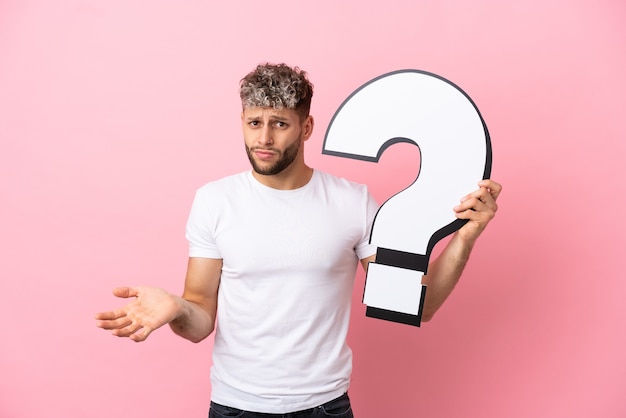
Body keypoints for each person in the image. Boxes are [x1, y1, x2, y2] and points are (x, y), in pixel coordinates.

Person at [95, 63, 501, 417]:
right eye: (254, 123)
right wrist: (176, 306)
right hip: (236, 406)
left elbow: (418, 305)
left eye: (280, 124)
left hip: (325, 407)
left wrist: (466, 238)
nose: (264, 139)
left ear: (306, 127)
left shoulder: (352, 201)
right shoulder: (214, 201)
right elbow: (199, 322)